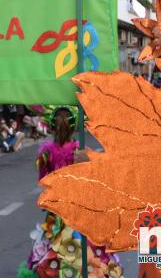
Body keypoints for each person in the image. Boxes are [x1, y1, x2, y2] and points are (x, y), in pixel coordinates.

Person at [17, 106, 124, 278]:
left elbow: (44, 181)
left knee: (58, 246)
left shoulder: (46, 152)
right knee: (86, 248)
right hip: (80, 210)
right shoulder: (81, 149)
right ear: (74, 127)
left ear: (52, 126)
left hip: (58, 212)